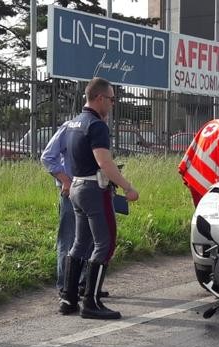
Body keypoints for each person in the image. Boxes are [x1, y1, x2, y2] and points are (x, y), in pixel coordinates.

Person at [60, 77, 139, 319]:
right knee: (105, 244)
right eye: (112, 99)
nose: (113, 103)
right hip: (95, 190)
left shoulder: (74, 123)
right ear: (100, 98)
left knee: (79, 243)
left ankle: (68, 298)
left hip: (77, 187)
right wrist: (127, 187)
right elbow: (104, 163)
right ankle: (91, 302)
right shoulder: (96, 126)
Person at [40, 126, 107, 301]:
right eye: (110, 100)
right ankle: (65, 287)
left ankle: (85, 285)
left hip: (93, 190)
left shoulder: (99, 129)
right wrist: (65, 180)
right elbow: (47, 157)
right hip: (71, 192)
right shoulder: (69, 128)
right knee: (69, 239)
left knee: (91, 239)